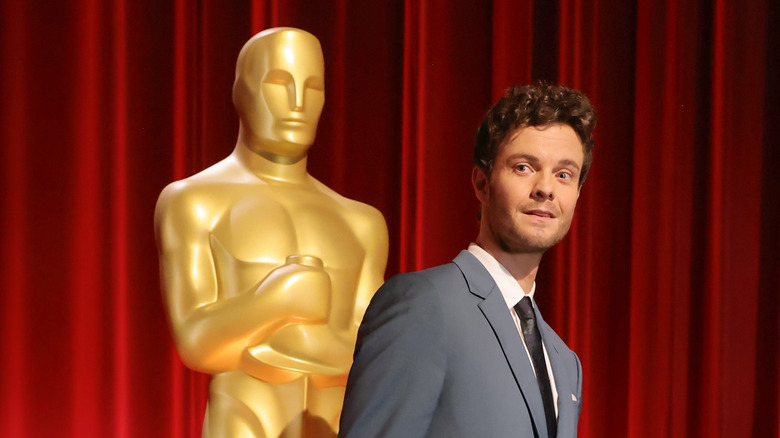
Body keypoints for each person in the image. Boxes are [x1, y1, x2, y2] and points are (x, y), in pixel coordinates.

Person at [155, 28, 388, 437]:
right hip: (244, 419)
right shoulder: (195, 202)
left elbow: (374, 352)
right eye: (279, 83)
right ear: (241, 91)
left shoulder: (360, 222)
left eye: (312, 88)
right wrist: (275, 301)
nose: (298, 104)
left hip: (334, 424)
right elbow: (195, 341)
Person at [339, 83, 596, 438]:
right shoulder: (424, 306)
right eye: (524, 167)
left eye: (564, 174)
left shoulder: (565, 363)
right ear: (482, 183)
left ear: (577, 194)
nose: (546, 188)